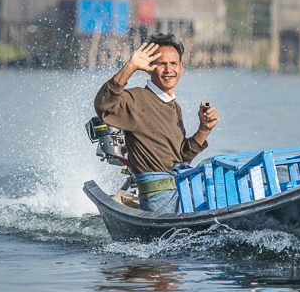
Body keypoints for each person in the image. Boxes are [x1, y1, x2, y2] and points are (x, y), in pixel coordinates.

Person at [94, 33, 220, 212]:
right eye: (162, 64)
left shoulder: (174, 106)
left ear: (181, 67)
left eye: (173, 64)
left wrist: (204, 129)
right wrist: (130, 66)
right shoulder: (136, 99)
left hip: (180, 189)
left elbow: (180, 158)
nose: (169, 70)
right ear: (149, 67)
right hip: (159, 198)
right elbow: (104, 106)